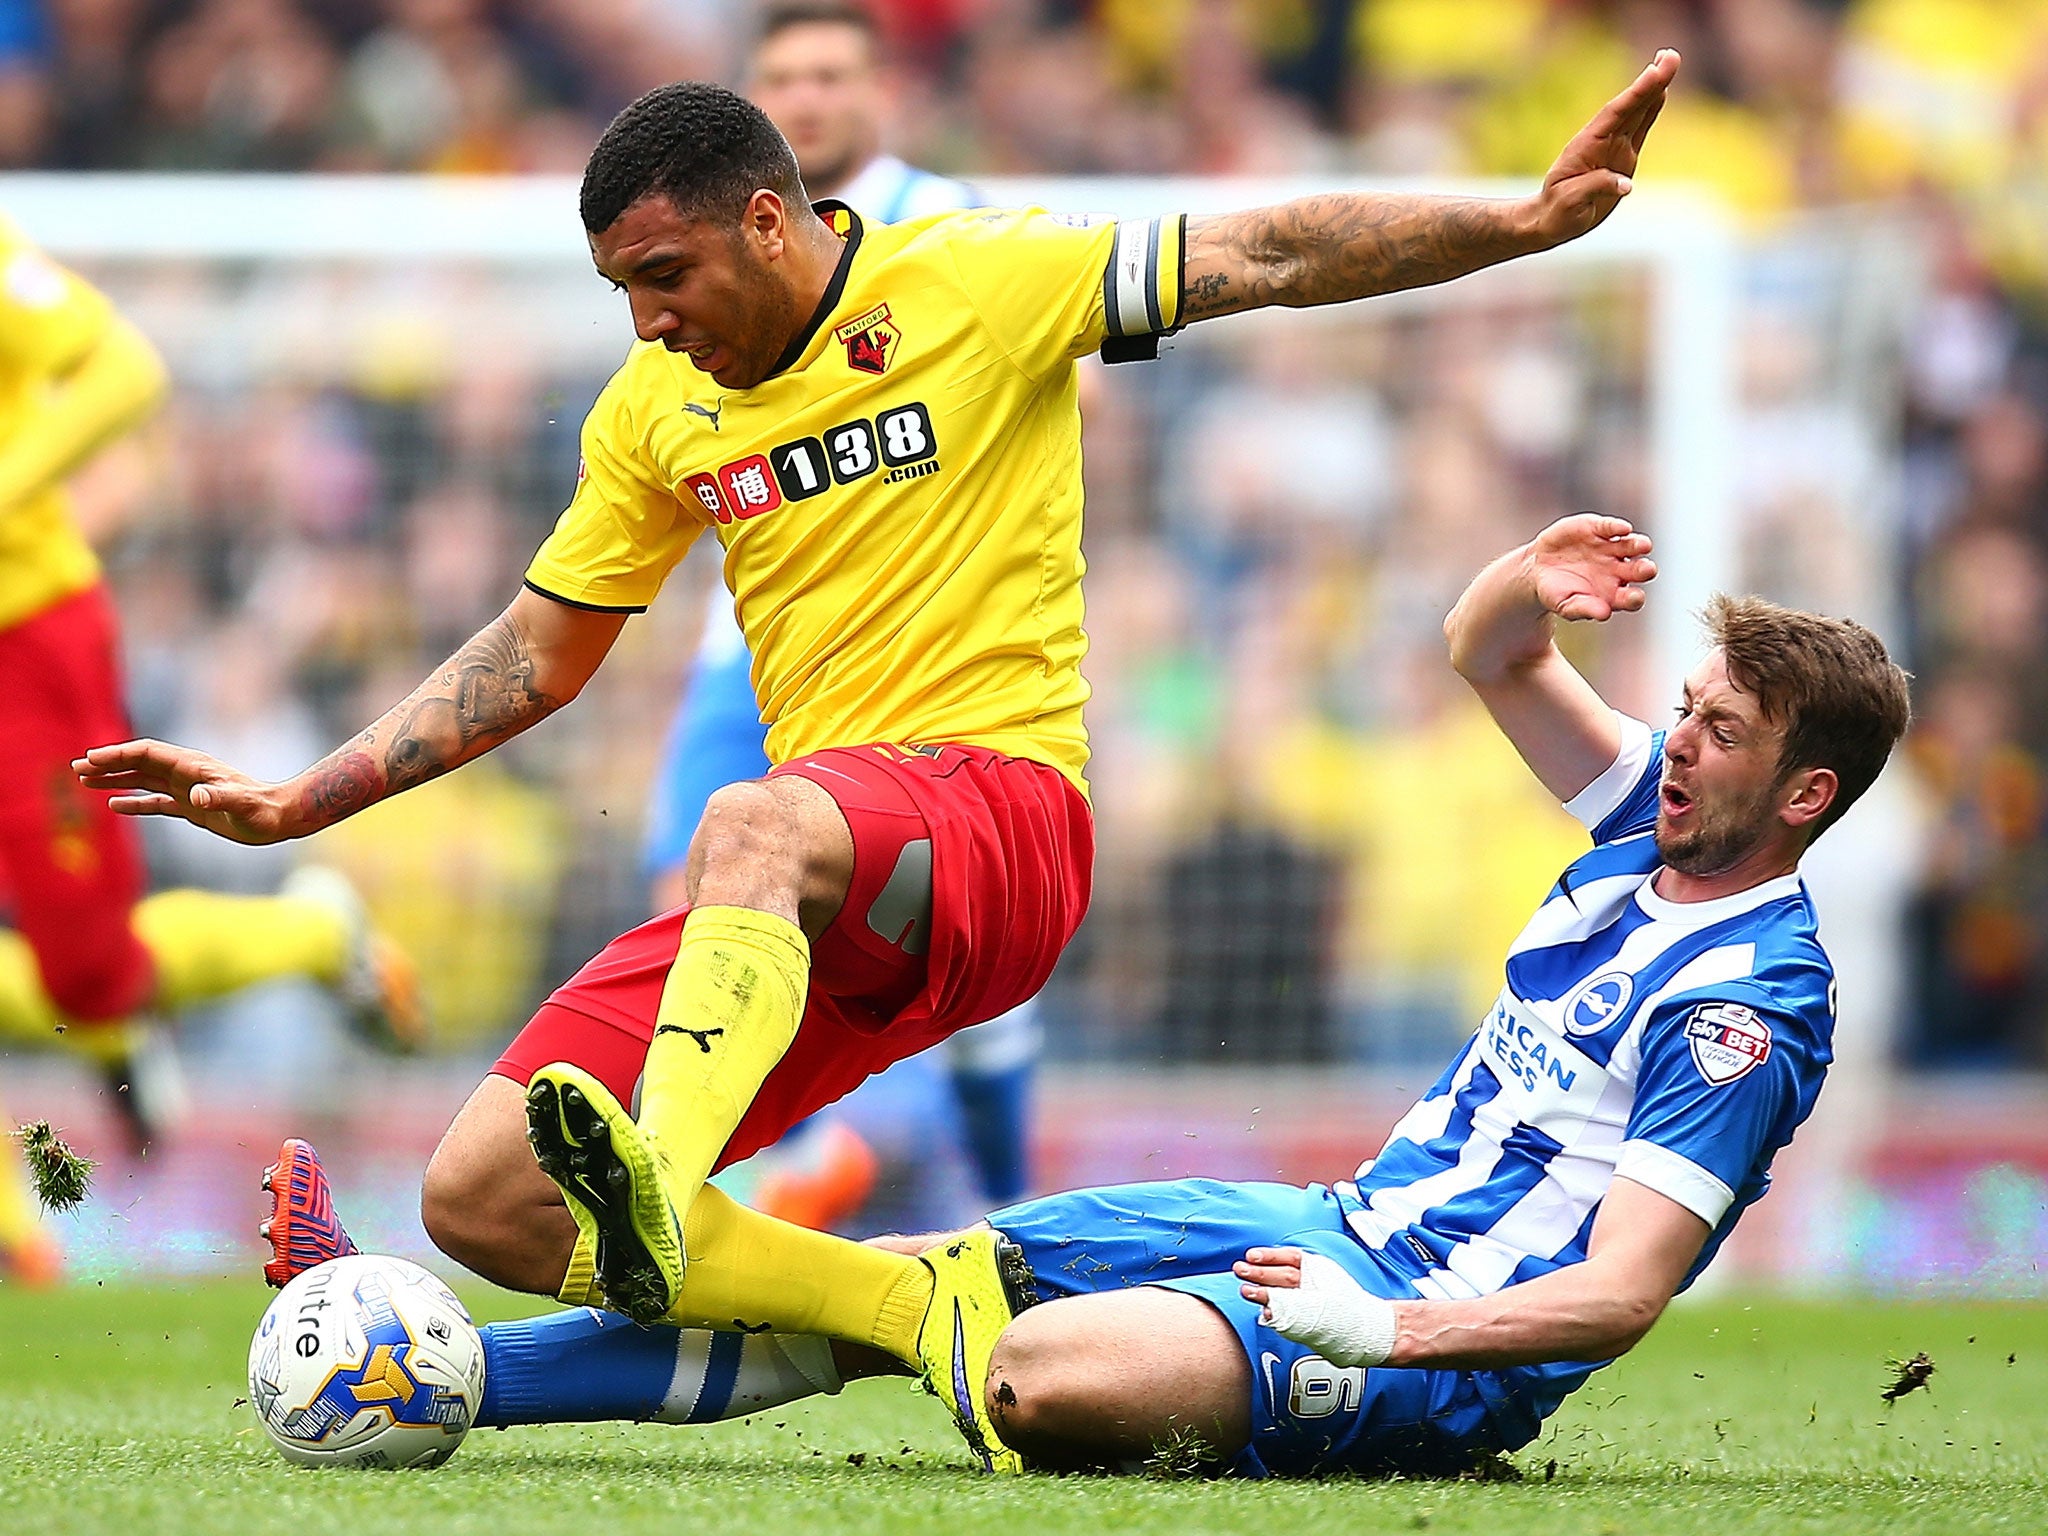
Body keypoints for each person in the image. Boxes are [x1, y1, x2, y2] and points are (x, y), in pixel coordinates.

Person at [76, 54, 1683, 1470]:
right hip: (812, 898)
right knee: (479, 1201)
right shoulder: (654, 413)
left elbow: (1261, 250)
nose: (647, 317)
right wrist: (307, 796)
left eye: (665, 271)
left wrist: (1517, 224)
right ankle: (918, 1299)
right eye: (622, 290)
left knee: (749, 820)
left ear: (768, 219)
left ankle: (660, 1173)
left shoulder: (985, 279)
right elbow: (537, 654)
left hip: (998, 820)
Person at [279, 510, 1914, 1477]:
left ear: (1803, 797)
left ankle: (1222, 1361)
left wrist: (1392, 1328)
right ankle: (439, 1369)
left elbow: (1623, 1289)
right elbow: (1489, 654)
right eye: (1683, 707)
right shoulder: (1647, 817)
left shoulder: (1743, 1008)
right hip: (1331, 1221)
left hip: (1435, 1348)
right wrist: (1525, 573)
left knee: (1031, 1374)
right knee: (929, 1281)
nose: (1673, 739)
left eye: (1716, 730)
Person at [650, 0, 1027, 1227]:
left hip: (932, 649)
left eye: (828, 76)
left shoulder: (954, 226)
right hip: (748, 656)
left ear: (880, 94)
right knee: (689, 893)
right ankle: (780, 1169)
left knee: (962, 965)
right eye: (781, 81)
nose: (805, 101)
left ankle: (998, 1189)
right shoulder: (702, 251)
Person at [0, 218, 421, 1285]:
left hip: (26, 637)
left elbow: (125, 370)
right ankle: (22, 1215)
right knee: (81, 979)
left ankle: (305, 938)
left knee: (88, 972)